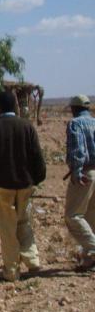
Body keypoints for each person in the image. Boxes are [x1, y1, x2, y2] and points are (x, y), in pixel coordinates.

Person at [0, 91, 46, 281]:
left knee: (8, 227)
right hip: (25, 184)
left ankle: (12, 270)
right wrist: (38, 178)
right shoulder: (26, 126)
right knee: (24, 222)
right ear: (15, 106)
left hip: (3, 185)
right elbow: (37, 156)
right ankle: (33, 261)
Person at [63, 94, 95, 271]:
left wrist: (76, 170)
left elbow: (78, 149)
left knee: (73, 216)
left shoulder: (75, 124)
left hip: (85, 173)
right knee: (91, 216)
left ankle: (93, 248)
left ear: (74, 109)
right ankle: (89, 259)